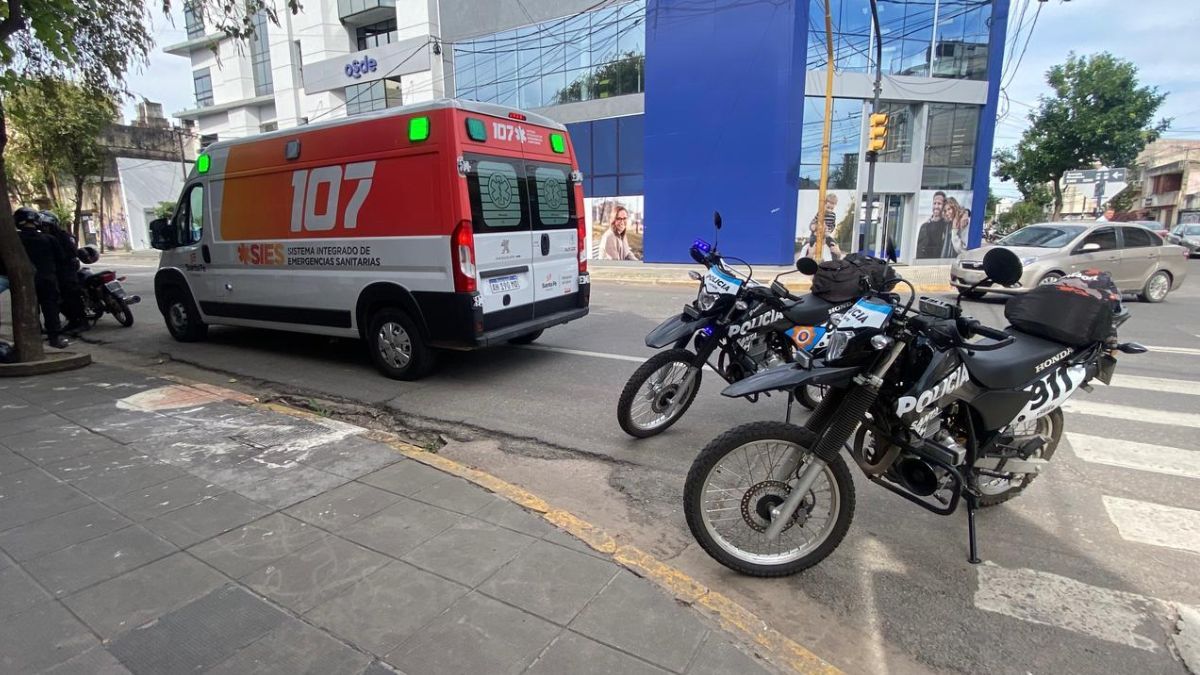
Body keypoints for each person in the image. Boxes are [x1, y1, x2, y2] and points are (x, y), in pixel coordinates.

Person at [14, 207, 68, 348]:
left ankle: (34, 338)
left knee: (30, 309)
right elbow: (61, 258)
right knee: (50, 308)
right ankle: (55, 339)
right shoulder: (49, 239)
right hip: (48, 279)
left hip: (25, 281)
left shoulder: (15, 240)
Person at [38, 211, 88, 334]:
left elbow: (70, 254)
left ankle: (82, 321)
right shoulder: (47, 238)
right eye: (42, 226)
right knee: (59, 301)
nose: (44, 229)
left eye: (46, 226)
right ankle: (73, 320)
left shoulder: (62, 237)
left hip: (66, 272)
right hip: (55, 273)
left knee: (72, 297)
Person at [801, 193, 842, 261]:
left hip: (826, 234)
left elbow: (832, 225)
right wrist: (814, 227)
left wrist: (828, 230)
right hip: (816, 234)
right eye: (828, 207)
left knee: (834, 243)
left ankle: (835, 257)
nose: (830, 210)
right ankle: (810, 254)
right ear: (824, 204)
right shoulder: (820, 213)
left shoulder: (833, 215)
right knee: (812, 241)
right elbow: (813, 222)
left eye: (832, 208)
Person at [915, 190, 950, 258]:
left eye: (939, 204)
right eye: (934, 203)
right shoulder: (924, 226)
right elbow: (919, 251)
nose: (936, 206)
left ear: (944, 206)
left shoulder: (947, 226)